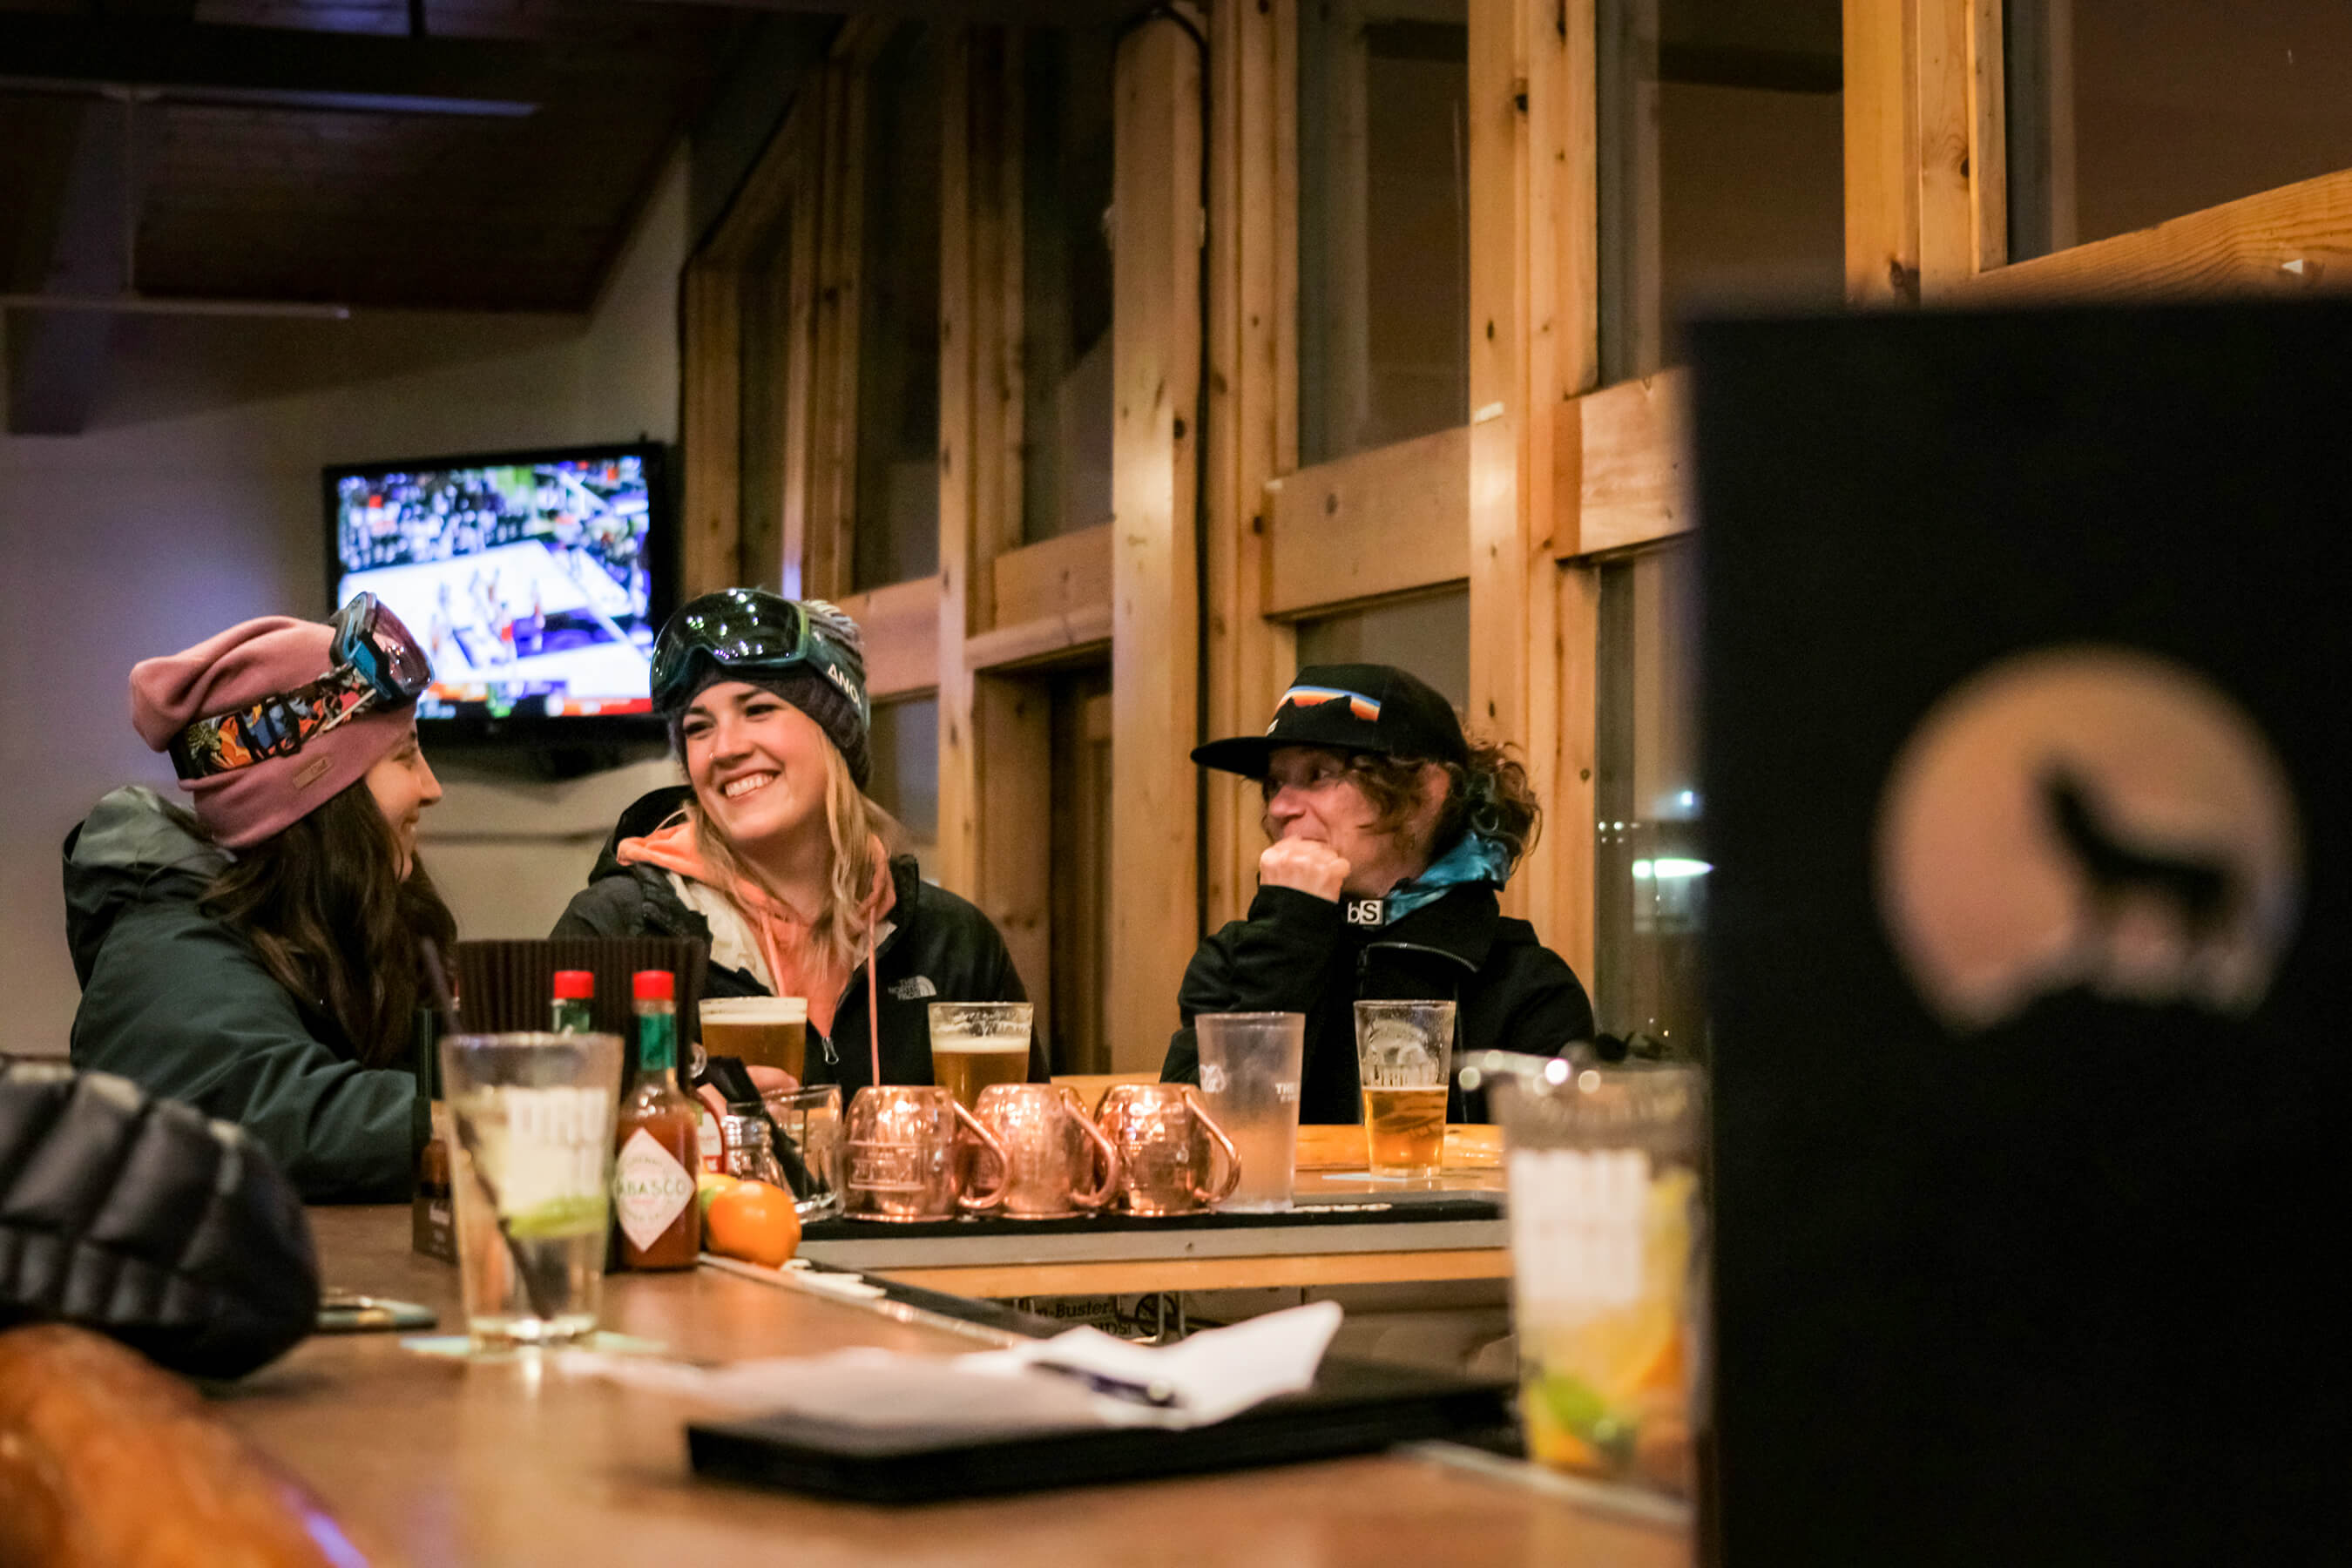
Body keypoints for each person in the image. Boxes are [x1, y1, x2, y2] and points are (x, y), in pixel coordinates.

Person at [553, 589, 1036, 1103]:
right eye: (699, 728)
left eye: (758, 709)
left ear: (835, 733)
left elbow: (1026, 1149)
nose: (726, 749)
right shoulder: (614, 932)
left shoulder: (954, 945)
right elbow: (530, 1146)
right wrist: (671, 1116)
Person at [65, 595, 453, 1201]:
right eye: (404, 757)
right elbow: (276, 1111)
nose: (431, 788)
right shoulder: (164, 951)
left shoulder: (336, 925)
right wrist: (498, 1121)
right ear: (317, 793)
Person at [1163, 663, 1595, 1123]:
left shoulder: (1524, 985)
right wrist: (1290, 934)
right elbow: (1197, 1144)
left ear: (1426, 793)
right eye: (1274, 783)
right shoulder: (1233, 964)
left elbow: (1557, 1178)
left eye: (1317, 774)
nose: (1279, 807)